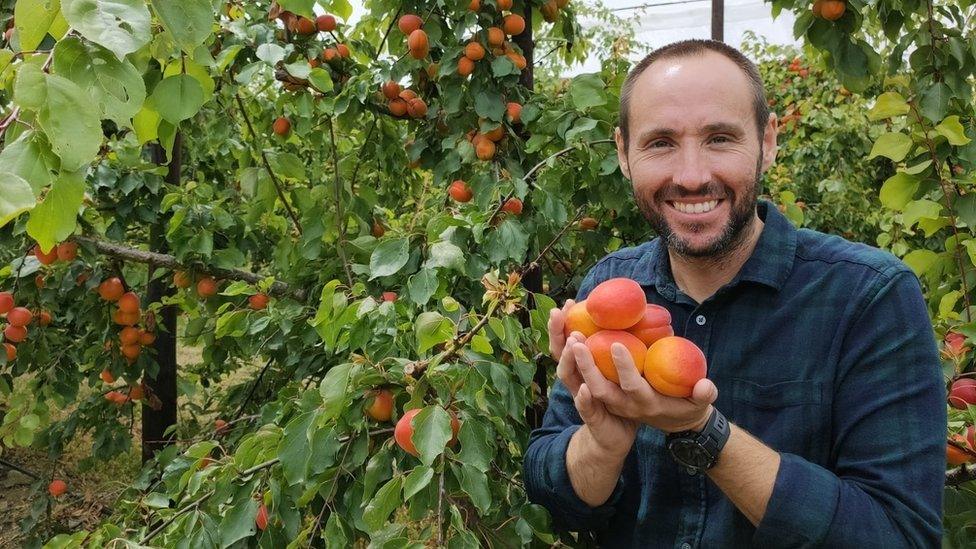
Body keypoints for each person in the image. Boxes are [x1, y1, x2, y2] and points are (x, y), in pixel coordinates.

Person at [523, 39, 946, 547]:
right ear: (624, 154)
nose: (693, 175)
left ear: (768, 141)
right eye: (660, 142)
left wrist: (703, 431)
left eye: (720, 138)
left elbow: (897, 535)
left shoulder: (869, 297)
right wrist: (602, 447)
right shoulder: (613, 290)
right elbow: (556, 492)